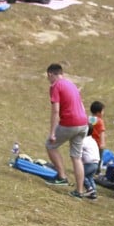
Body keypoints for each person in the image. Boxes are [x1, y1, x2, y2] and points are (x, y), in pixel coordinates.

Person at [43, 63, 88, 200]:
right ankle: (79, 192)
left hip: (70, 122)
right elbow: (81, 104)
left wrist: (52, 133)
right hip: (83, 123)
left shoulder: (56, 86)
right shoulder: (71, 84)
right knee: (76, 157)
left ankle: (62, 176)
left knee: (50, 145)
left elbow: (55, 110)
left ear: (50, 74)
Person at [79, 124, 100, 199]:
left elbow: (79, 151)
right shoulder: (92, 140)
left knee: (81, 175)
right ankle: (93, 193)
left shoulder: (84, 140)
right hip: (96, 163)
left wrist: (79, 160)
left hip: (89, 163)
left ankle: (89, 189)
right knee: (90, 177)